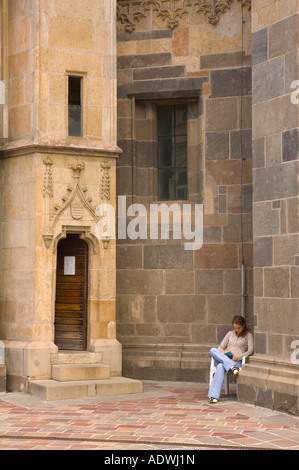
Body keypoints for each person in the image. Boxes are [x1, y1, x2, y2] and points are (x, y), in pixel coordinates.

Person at [208, 315, 254, 404]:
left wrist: (239, 357)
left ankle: (214, 396)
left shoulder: (248, 336)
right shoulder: (230, 334)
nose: (236, 330)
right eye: (235, 328)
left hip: (236, 361)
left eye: (239, 328)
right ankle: (231, 366)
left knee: (220, 366)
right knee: (212, 350)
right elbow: (220, 347)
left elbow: (250, 351)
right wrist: (222, 352)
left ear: (243, 325)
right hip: (226, 358)